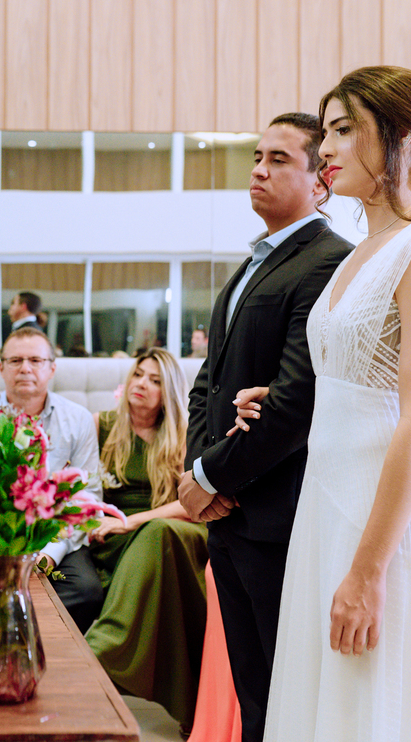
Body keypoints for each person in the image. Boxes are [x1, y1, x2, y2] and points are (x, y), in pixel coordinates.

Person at [235, 66, 411, 741]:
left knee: (377, 708)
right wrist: (287, 396)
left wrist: (368, 570)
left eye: (344, 130)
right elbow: (360, 371)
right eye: (327, 132)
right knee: (332, 707)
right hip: (330, 506)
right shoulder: (361, 250)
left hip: (390, 526)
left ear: (401, 138)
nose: (327, 149)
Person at [176, 112, 353, 742]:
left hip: (280, 516)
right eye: (257, 156)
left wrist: (211, 476)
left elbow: (295, 402)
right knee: (255, 695)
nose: (258, 169)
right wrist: (197, 471)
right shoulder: (252, 262)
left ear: (321, 178)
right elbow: (209, 382)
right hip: (228, 515)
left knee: (288, 696)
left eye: (279, 159)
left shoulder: (331, 262)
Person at [82, 349, 209, 732]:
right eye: (138, 375)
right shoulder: (100, 424)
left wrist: (132, 520)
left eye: (155, 380)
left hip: (175, 528)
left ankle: (101, 648)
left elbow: (192, 505)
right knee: (140, 541)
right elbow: (80, 489)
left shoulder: (186, 434)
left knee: (157, 534)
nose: (142, 384)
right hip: (115, 535)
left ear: (168, 391)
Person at [0, 326, 104, 632]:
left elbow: (87, 495)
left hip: (56, 531)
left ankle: (40, 645)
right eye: (15, 361)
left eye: (35, 360)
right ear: (1, 368)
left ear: (51, 368)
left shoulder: (77, 419)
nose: (25, 368)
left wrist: (50, 553)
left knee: (86, 591)